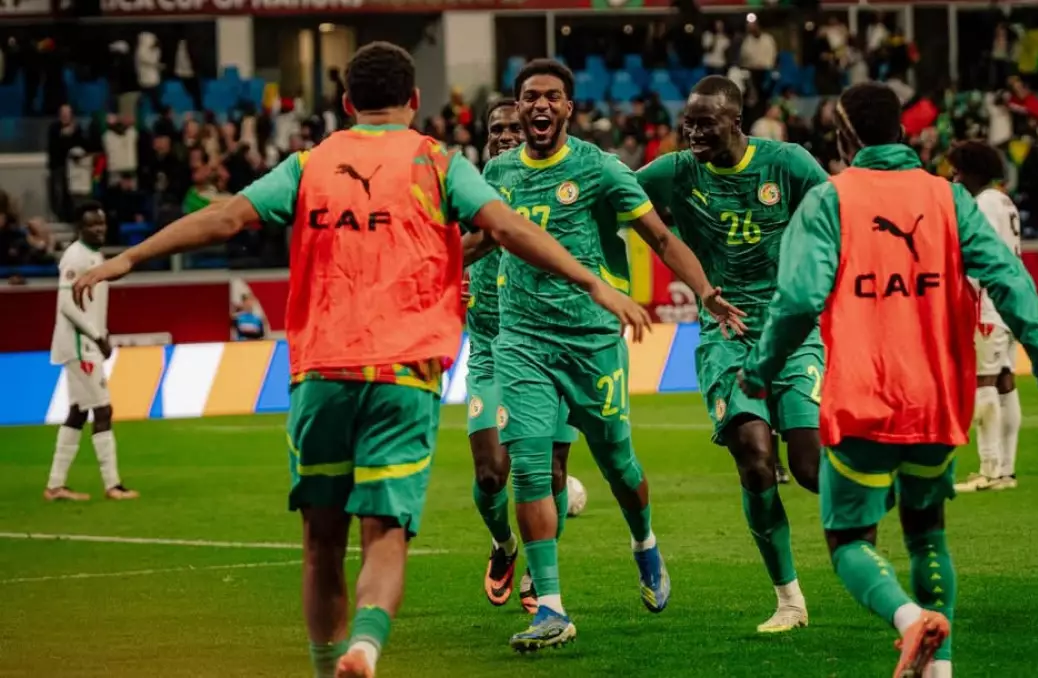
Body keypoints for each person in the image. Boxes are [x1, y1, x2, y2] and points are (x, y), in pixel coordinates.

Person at [71, 42, 651, 678]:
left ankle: (328, 665)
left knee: (321, 543)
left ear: (346, 102)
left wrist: (129, 258)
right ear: (415, 101)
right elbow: (509, 228)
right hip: (403, 375)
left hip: (321, 373)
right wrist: (594, 282)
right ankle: (367, 646)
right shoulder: (437, 162)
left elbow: (228, 218)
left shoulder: (310, 163)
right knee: (385, 533)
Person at [738, 82, 1038, 678]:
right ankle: (941, 670)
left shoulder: (829, 200)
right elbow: (1009, 280)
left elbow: (798, 301)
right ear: (903, 132)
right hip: (937, 401)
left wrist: (761, 370)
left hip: (865, 399)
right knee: (926, 535)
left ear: (843, 137)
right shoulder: (949, 198)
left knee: (849, 540)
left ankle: (908, 618)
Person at [483, 58, 743, 652]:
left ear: (569, 108)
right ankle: (550, 606)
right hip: (521, 339)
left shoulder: (600, 170)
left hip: (591, 340)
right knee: (529, 466)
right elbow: (482, 238)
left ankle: (644, 542)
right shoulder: (497, 171)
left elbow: (661, 237)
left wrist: (705, 292)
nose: (540, 105)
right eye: (530, 96)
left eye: (552, 96)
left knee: (618, 464)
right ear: (519, 107)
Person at [636, 75, 828, 634]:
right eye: (688, 124)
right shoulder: (674, 172)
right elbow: (614, 195)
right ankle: (789, 600)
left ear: (735, 122)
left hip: (792, 332)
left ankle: (881, 500)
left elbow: (838, 215)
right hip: (726, 335)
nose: (693, 133)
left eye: (706, 124)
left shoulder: (787, 164)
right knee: (755, 457)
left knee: (810, 470)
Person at [464, 99, 581, 614]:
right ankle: (504, 544)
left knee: (552, 473)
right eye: (497, 128)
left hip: (549, 348)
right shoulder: (470, 190)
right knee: (491, 473)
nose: (506, 135)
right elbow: (452, 249)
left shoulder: (556, 186)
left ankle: (539, 568)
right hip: (490, 350)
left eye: (514, 126)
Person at [45, 202, 138, 503]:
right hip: (79, 344)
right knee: (103, 409)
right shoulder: (75, 256)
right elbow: (67, 304)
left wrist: (102, 332)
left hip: (85, 343)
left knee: (77, 412)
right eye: (92, 224)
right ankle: (113, 485)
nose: (99, 229)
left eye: (102, 223)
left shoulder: (95, 255)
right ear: (79, 228)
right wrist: (97, 336)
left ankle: (55, 486)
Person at [947, 141, 1025, 493]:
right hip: (1010, 301)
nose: (954, 178)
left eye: (958, 171)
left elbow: (981, 255)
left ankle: (989, 470)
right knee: (1005, 382)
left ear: (973, 171)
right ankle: (1006, 470)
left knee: (984, 382)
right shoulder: (1005, 201)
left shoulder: (983, 204)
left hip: (988, 303)